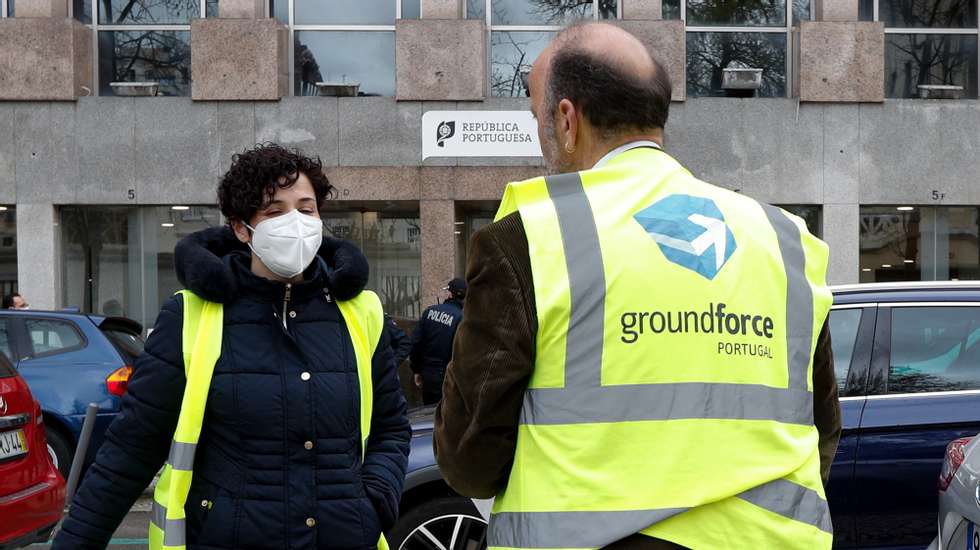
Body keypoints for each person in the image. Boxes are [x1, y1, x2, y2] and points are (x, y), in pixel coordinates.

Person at [434, 22, 841, 550]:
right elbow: (821, 429)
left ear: (566, 119)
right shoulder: (785, 241)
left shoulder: (533, 237)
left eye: (537, 114)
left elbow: (469, 460)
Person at [53, 143, 411, 549]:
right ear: (242, 229)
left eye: (306, 208)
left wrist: (374, 500)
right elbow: (131, 450)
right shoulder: (191, 316)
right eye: (275, 211)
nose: (295, 222)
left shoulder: (360, 312)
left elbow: (391, 427)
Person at [409, 278, 465, 405]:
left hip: (428, 373)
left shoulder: (430, 311)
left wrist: (417, 370)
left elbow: (415, 343)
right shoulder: (461, 318)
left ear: (450, 294)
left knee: (429, 416)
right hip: (449, 377)